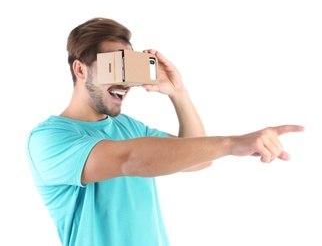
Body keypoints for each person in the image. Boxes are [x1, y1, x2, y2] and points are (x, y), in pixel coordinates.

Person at [26, 17, 305, 246]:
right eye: (114, 66)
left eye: (128, 68)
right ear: (80, 69)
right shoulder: (48, 139)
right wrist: (232, 143)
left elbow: (199, 158)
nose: (125, 81)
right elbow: (129, 159)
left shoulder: (128, 127)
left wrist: (178, 93)